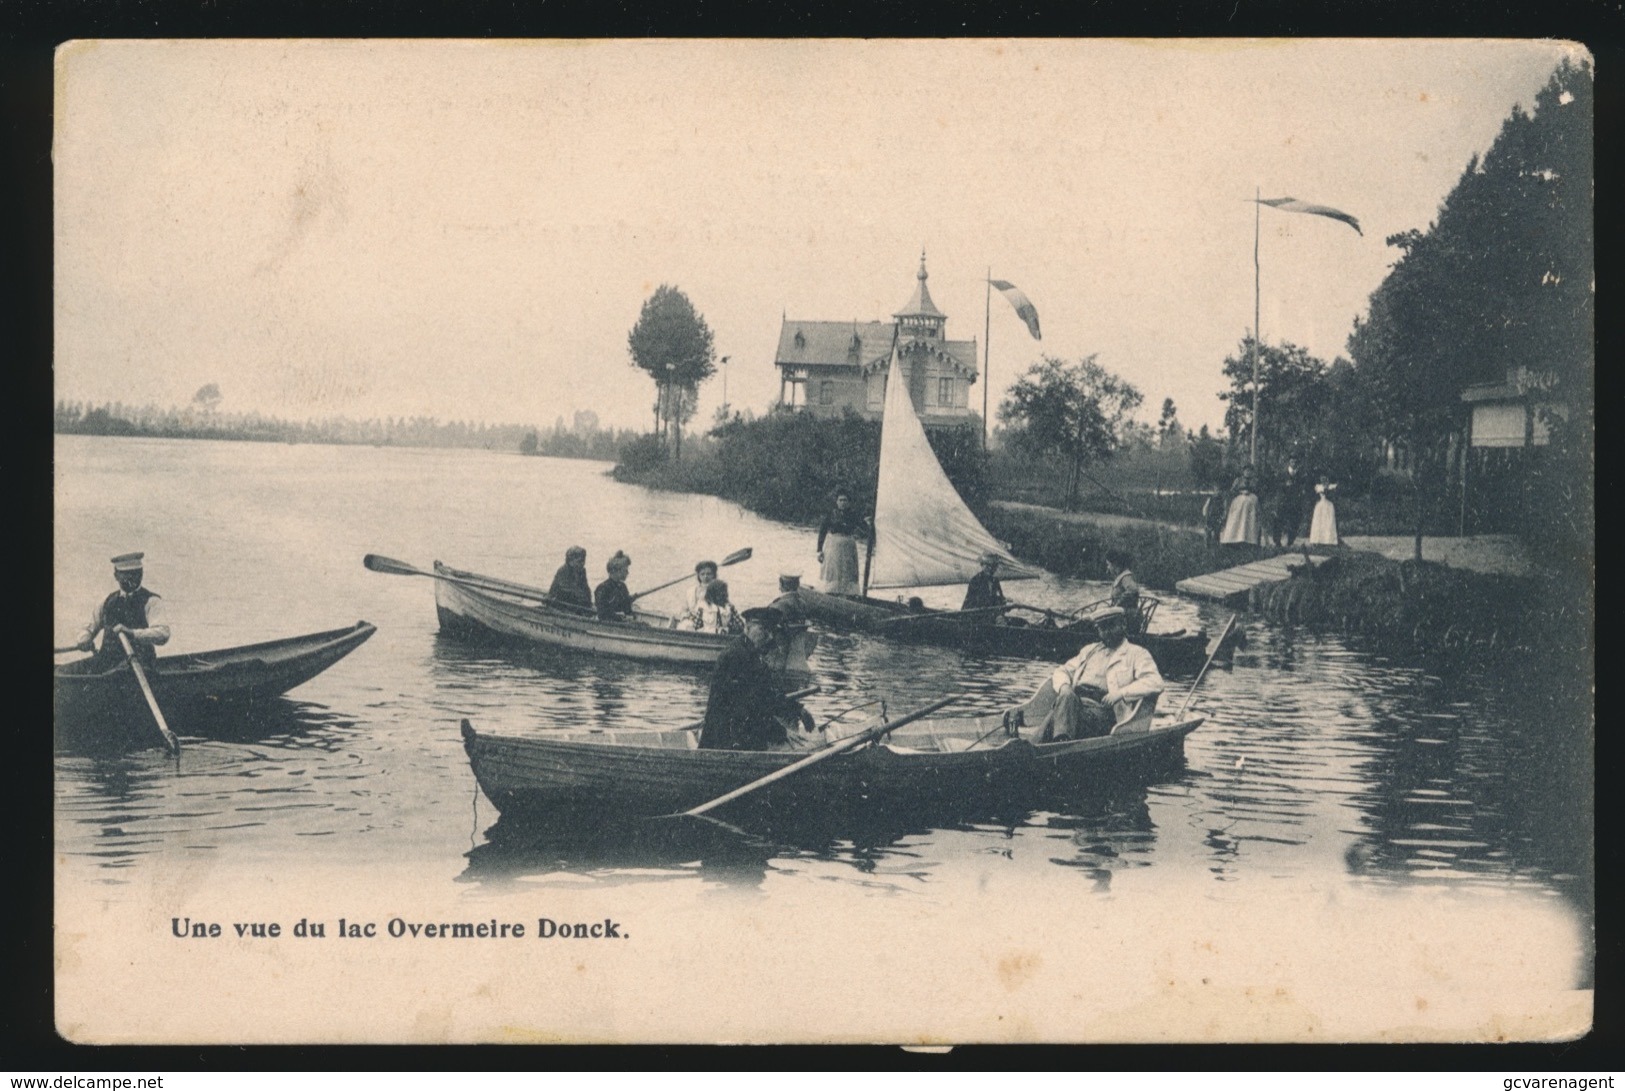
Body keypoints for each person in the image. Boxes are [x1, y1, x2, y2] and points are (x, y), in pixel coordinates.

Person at [1007, 606, 1164, 742]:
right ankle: (1057, 742)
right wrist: (1065, 687)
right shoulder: (1090, 650)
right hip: (1073, 705)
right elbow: (1062, 670)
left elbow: (1154, 682)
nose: (1107, 632)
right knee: (1066, 699)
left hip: (1104, 712)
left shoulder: (1136, 654)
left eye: (1111, 626)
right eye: (1102, 628)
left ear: (1123, 625)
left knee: (1062, 708)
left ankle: (1043, 745)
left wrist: (1120, 693)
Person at [697, 606, 817, 750]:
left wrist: (798, 710)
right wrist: (780, 732)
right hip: (724, 740)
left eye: (771, 631)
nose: (770, 636)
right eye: (763, 629)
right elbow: (746, 707)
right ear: (747, 627)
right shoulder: (735, 657)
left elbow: (767, 696)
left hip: (739, 732)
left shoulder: (753, 655)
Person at [74, 552, 170, 670]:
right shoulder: (107, 601)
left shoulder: (152, 601)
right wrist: (84, 639)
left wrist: (132, 633)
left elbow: (163, 634)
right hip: (106, 664)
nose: (132, 578)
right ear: (116, 576)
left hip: (141, 666)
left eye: (136, 573)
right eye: (126, 574)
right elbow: (88, 628)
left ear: (141, 574)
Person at [816, 490, 871, 596]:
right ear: (836, 502)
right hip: (833, 545)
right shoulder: (831, 514)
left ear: (849, 502)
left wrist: (869, 524)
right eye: (840, 500)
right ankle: (831, 592)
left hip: (848, 546)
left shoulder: (853, 515)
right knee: (833, 570)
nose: (843, 503)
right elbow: (822, 531)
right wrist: (819, 550)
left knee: (848, 570)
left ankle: (847, 594)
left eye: (845, 500)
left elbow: (864, 528)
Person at [1269, 459, 1309, 548]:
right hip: (1283, 501)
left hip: (1295, 502)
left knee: (1294, 522)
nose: (1294, 463)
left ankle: (1290, 542)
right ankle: (1277, 541)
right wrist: (1285, 485)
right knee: (1279, 520)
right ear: (1289, 463)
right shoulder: (1282, 473)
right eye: (1292, 462)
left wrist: (1301, 491)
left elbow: (1303, 486)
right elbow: (1276, 485)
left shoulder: (1300, 475)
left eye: (1295, 462)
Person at [1219, 467, 1261, 546]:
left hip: (1251, 499)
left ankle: (1249, 538)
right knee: (1238, 509)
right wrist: (1241, 491)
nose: (1248, 473)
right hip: (1239, 497)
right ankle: (1234, 537)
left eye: (1250, 471)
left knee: (1250, 506)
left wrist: (1250, 492)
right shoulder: (1238, 480)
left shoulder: (1255, 481)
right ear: (1243, 472)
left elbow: (1258, 491)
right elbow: (1232, 491)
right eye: (1246, 471)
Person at [1104, 549, 1142, 633]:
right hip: (1124, 617)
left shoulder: (1125, 577)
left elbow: (1133, 590)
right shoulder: (1122, 576)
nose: (1108, 568)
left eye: (1108, 565)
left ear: (1115, 565)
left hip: (1127, 620)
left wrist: (1117, 605)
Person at [546, 545, 593, 612]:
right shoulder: (563, 571)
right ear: (571, 561)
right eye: (579, 561)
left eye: (583, 561)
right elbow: (568, 589)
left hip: (574, 604)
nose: (583, 564)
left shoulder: (582, 571)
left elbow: (586, 588)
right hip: (559, 604)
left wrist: (588, 602)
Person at [594, 551, 634, 622]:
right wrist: (621, 618)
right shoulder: (602, 588)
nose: (627, 573)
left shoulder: (623, 587)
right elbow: (602, 613)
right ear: (615, 570)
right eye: (625, 570)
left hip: (622, 623)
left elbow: (627, 610)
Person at [1308, 475, 1341, 546]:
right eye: (1323, 480)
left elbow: (1334, 489)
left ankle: (1328, 540)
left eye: (1326, 480)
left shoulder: (1330, 487)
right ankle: (1317, 540)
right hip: (1320, 506)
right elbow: (1317, 493)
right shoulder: (1319, 487)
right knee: (1319, 522)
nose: (1324, 481)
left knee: (1328, 522)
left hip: (1328, 506)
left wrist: (1330, 488)